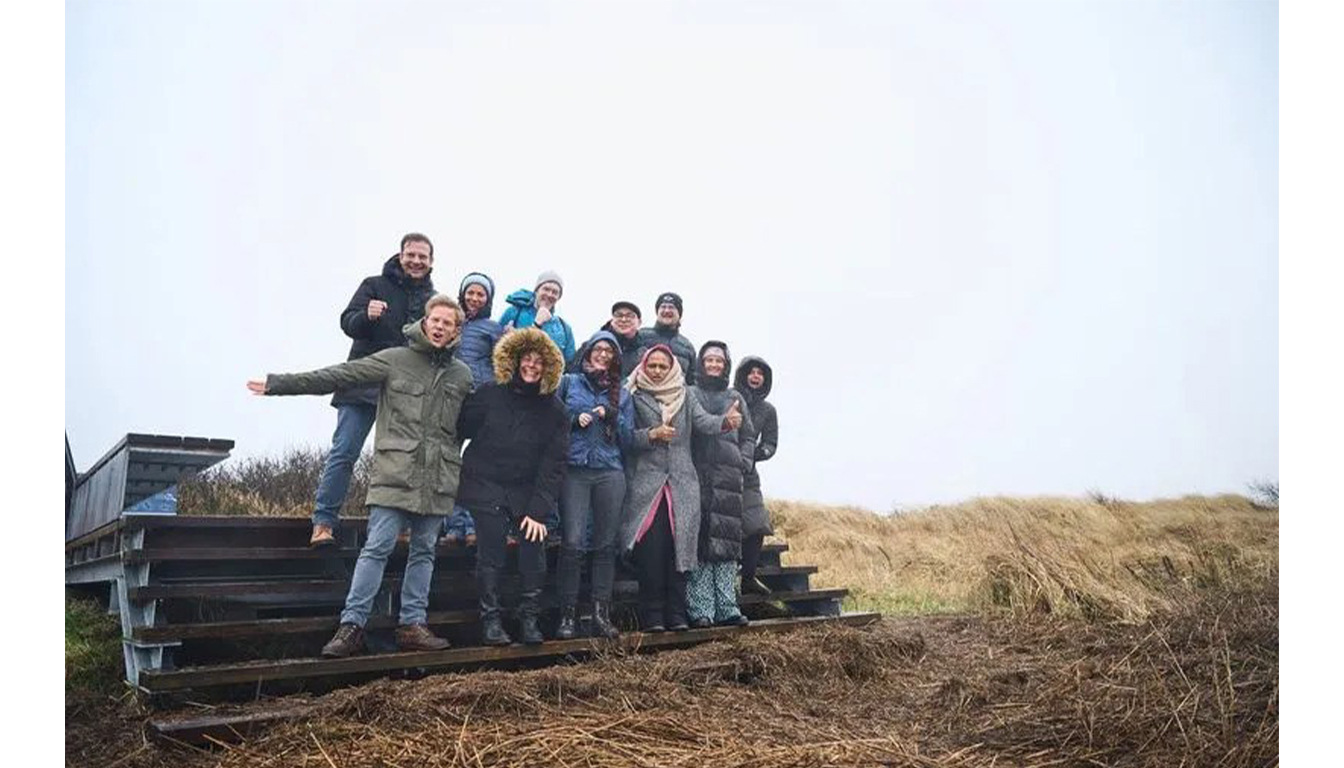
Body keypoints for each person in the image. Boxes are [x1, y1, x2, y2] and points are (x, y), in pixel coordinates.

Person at [247, 294, 472, 657]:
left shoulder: (462, 375)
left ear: (456, 330)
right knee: (376, 548)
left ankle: (413, 625)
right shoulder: (395, 359)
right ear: (425, 322)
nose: (440, 327)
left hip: (438, 479)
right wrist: (279, 384)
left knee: (424, 553)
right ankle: (351, 627)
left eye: (448, 323)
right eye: (436, 320)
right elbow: (340, 375)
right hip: (395, 474)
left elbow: (473, 422)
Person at [307, 232, 436, 548]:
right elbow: (347, 322)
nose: (416, 261)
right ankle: (323, 522)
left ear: (431, 262)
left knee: (404, 460)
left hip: (404, 392)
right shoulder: (374, 285)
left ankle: (400, 524)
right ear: (401, 256)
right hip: (361, 385)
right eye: (411, 255)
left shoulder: (432, 300)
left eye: (422, 257)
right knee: (344, 451)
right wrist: (367, 315)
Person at [455, 328, 569, 646]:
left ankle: (529, 617)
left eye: (539, 362)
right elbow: (460, 428)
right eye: (527, 359)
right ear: (516, 361)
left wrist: (538, 510)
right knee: (491, 549)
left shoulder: (555, 410)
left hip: (526, 490)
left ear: (548, 368)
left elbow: (554, 463)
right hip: (485, 483)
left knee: (534, 545)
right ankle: (491, 620)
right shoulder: (490, 393)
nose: (532, 366)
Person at [618, 345, 739, 632]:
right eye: (652, 366)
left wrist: (725, 422)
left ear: (672, 368)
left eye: (663, 366)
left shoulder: (685, 395)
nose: (657, 371)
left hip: (683, 485)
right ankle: (653, 616)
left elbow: (703, 422)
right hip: (648, 486)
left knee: (680, 551)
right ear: (643, 367)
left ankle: (676, 614)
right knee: (652, 552)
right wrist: (652, 434)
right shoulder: (632, 395)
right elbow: (624, 437)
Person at [555, 331, 634, 640]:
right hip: (575, 471)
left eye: (609, 351)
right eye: (597, 349)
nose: (603, 354)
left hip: (610, 473)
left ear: (615, 358)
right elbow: (552, 421)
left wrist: (614, 416)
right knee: (572, 543)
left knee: (605, 545)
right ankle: (567, 616)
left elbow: (629, 440)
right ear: (587, 353)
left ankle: (601, 614)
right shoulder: (568, 383)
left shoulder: (623, 394)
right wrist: (575, 419)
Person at [686, 342, 754, 628]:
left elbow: (748, 435)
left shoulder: (735, 396)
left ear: (726, 365)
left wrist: (743, 460)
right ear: (701, 363)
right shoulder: (690, 392)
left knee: (727, 543)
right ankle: (701, 609)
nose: (714, 364)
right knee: (700, 542)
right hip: (697, 475)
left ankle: (728, 607)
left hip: (729, 478)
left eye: (719, 360)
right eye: (709, 359)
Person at [440, 271, 504, 547]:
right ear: (462, 294)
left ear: (488, 299)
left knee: (477, 467)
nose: (475, 298)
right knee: (449, 463)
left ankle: (472, 526)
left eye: (481, 294)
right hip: (452, 399)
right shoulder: (450, 323)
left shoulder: (493, 328)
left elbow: (504, 362)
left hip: (482, 401)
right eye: (471, 292)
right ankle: (453, 526)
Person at [734, 355, 778, 596]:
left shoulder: (768, 410)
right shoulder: (729, 398)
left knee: (757, 524)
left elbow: (770, 443)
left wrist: (753, 455)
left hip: (749, 474)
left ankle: (748, 577)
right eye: (751, 372)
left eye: (760, 373)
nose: (755, 376)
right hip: (721, 470)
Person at [499, 270, 577, 364]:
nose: (549, 294)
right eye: (546, 289)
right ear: (536, 291)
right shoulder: (514, 313)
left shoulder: (564, 328)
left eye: (555, 292)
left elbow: (571, 364)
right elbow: (495, 346)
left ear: (558, 297)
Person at [635, 292, 696, 384]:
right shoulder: (640, 336)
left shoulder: (687, 347)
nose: (667, 311)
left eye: (671, 307)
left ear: (679, 314)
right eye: (663, 307)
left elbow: (691, 381)